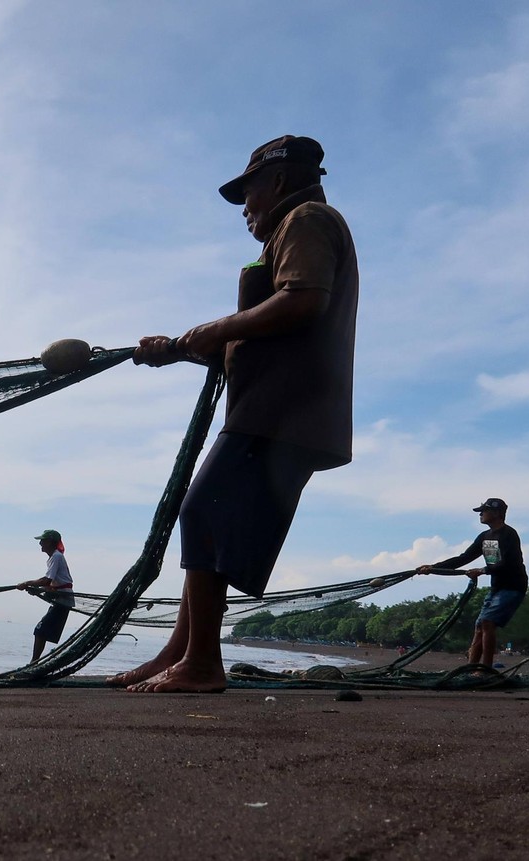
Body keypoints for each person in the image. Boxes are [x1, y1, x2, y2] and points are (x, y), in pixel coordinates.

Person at [107, 134, 358, 693]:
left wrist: (212, 330)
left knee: (203, 513)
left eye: (248, 193)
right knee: (211, 521)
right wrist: (176, 348)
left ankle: (201, 664)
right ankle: (180, 652)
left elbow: (301, 300)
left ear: (278, 180)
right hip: (274, 407)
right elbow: (262, 330)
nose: (245, 208)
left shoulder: (308, 219)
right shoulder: (292, 230)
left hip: (283, 409)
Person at [416, 498, 528, 669]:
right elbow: (464, 558)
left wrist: (482, 570)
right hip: (497, 587)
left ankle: (486, 670)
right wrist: (433, 568)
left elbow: (508, 563)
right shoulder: (485, 537)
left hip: (513, 587)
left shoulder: (508, 534)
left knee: (487, 622)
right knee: (479, 626)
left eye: (484, 510)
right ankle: (471, 668)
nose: (481, 514)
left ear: (497, 513)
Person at [17, 529, 74, 663]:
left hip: (63, 600)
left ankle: (33, 663)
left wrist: (26, 583)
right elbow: (49, 583)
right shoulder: (54, 557)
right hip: (59, 599)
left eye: (43, 540)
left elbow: (46, 581)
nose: (41, 543)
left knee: (40, 630)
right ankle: (34, 662)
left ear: (51, 542)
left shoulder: (56, 556)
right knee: (41, 631)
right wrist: (37, 590)